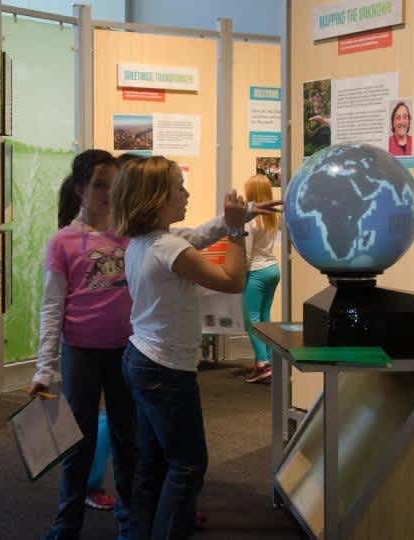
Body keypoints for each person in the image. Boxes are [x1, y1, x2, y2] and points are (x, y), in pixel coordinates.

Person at [111, 156, 281, 539]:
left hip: (144, 359)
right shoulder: (167, 249)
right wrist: (237, 231)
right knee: (188, 465)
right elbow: (233, 280)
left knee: (154, 462)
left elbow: (202, 234)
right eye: (178, 187)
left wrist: (245, 214)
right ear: (156, 198)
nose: (186, 193)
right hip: (164, 370)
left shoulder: (148, 242)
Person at [29, 149, 135, 540]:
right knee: (78, 444)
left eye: (114, 185)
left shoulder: (130, 233)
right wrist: (45, 368)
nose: (108, 193)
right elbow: (51, 308)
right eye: (100, 185)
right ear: (80, 190)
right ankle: (66, 525)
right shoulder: (63, 242)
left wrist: (229, 225)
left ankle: (129, 525)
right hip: (81, 355)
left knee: (129, 442)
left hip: (126, 353)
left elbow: (184, 240)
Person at [242, 174, 281, 384]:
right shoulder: (273, 217)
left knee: (251, 320)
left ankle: (262, 364)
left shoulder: (250, 221)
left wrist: (238, 275)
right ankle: (268, 361)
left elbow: (246, 255)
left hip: (255, 272)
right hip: (273, 269)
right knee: (265, 316)